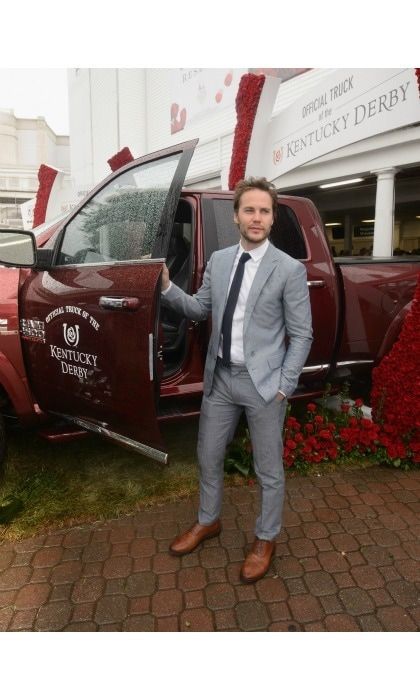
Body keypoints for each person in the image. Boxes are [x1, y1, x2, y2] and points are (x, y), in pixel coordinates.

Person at [161, 177, 313, 583]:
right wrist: (164, 287)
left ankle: (266, 538)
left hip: (265, 386)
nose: (257, 217)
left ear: (272, 217)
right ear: (236, 216)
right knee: (208, 456)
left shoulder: (289, 270)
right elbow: (197, 309)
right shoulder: (221, 261)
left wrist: (285, 384)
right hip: (221, 380)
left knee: (268, 470)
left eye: (264, 210)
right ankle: (208, 521)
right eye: (250, 210)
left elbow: (301, 335)